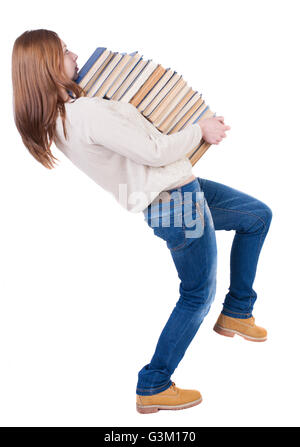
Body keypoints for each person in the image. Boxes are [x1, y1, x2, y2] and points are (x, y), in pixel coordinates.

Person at [11, 29, 272, 414]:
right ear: (48, 64)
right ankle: (154, 384)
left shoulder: (60, 120)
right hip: (175, 199)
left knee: (256, 217)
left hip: (177, 190)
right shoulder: (85, 113)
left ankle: (238, 310)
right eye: (65, 51)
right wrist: (201, 131)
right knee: (197, 295)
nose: (74, 54)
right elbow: (152, 151)